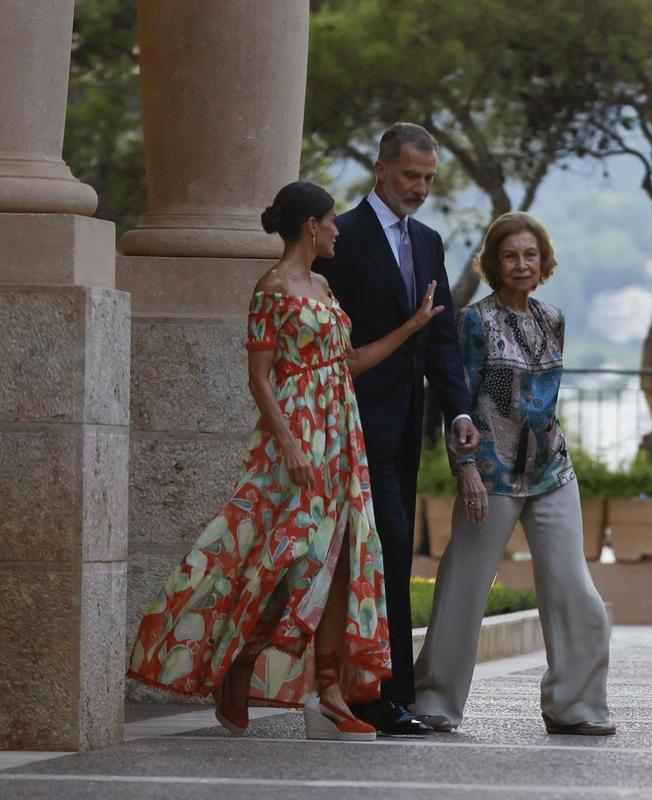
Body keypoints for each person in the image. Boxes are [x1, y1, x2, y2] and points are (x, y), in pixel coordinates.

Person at [128, 181, 446, 742]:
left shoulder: (323, 285)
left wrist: (412, 328)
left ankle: (326, 695)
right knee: (288, 561)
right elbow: (259, 378)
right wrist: (293, 445)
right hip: (297, 434)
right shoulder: (272, 287)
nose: (338, 231)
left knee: (342, 560)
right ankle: (239, 664)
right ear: (311, 228)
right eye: (331, 222)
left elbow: (346, 362)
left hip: (342, 432)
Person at [410, 212, 615, 736]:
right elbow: (457, 400)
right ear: (494, 264)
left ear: (543, 262)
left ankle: (576, 706)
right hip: (491, 475)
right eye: (510, 255)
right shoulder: (474, 322)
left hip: (551, 472)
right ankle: (433, 700)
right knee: (464, 586)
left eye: (530, 255)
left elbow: (544, 402)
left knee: (576, 588)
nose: (521, 264)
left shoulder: (554, 318)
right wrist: (465, 471)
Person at [313, 122, 480, 736]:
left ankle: (385, 695)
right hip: (349, 426)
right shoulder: (343, 237)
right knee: (377, 553)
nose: (421, 188)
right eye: (411, 176)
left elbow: (441, 340)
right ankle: (376, 699)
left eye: (430, 178)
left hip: (408, 429)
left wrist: (459, 412)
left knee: (393, 553)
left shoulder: (431, 241)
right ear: (381, 170)